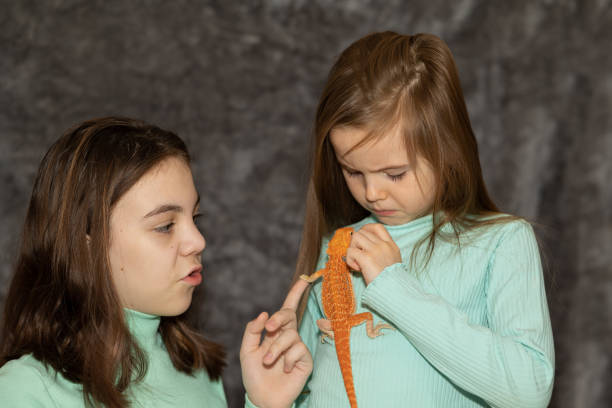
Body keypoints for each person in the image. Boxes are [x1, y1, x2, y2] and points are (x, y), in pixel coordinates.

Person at [293, 31, 555, 407]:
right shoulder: (335, 249)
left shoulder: (502, 242)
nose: (372, 193)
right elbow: (296, 390)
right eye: (353, 171)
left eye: (394, 173)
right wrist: (263, 396)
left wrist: (394, 287)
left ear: (447, 150)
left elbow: (529, 391)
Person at [0, 117, 312, 408]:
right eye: (165, 226)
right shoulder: (25, 390)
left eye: (195, 218)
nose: (198, 241)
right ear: (86, 240)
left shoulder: (199, 371)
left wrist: (265, 405)